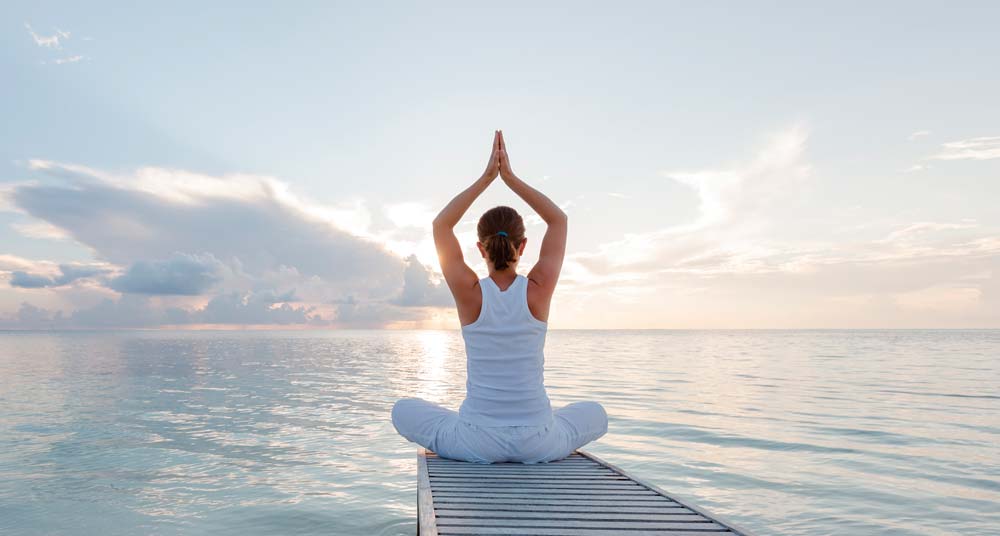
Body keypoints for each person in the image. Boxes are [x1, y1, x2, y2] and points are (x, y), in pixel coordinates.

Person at [391, 130, 608, 463]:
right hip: (538, 440)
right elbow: (558, 220)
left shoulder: (471, 293)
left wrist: (486, 178)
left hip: (476, 441)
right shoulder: (538, 289)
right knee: (596, 413)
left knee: (402, 410)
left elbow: (441, 227)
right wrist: (510, 178)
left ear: (481, 248)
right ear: (523, 246)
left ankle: (468, 430)